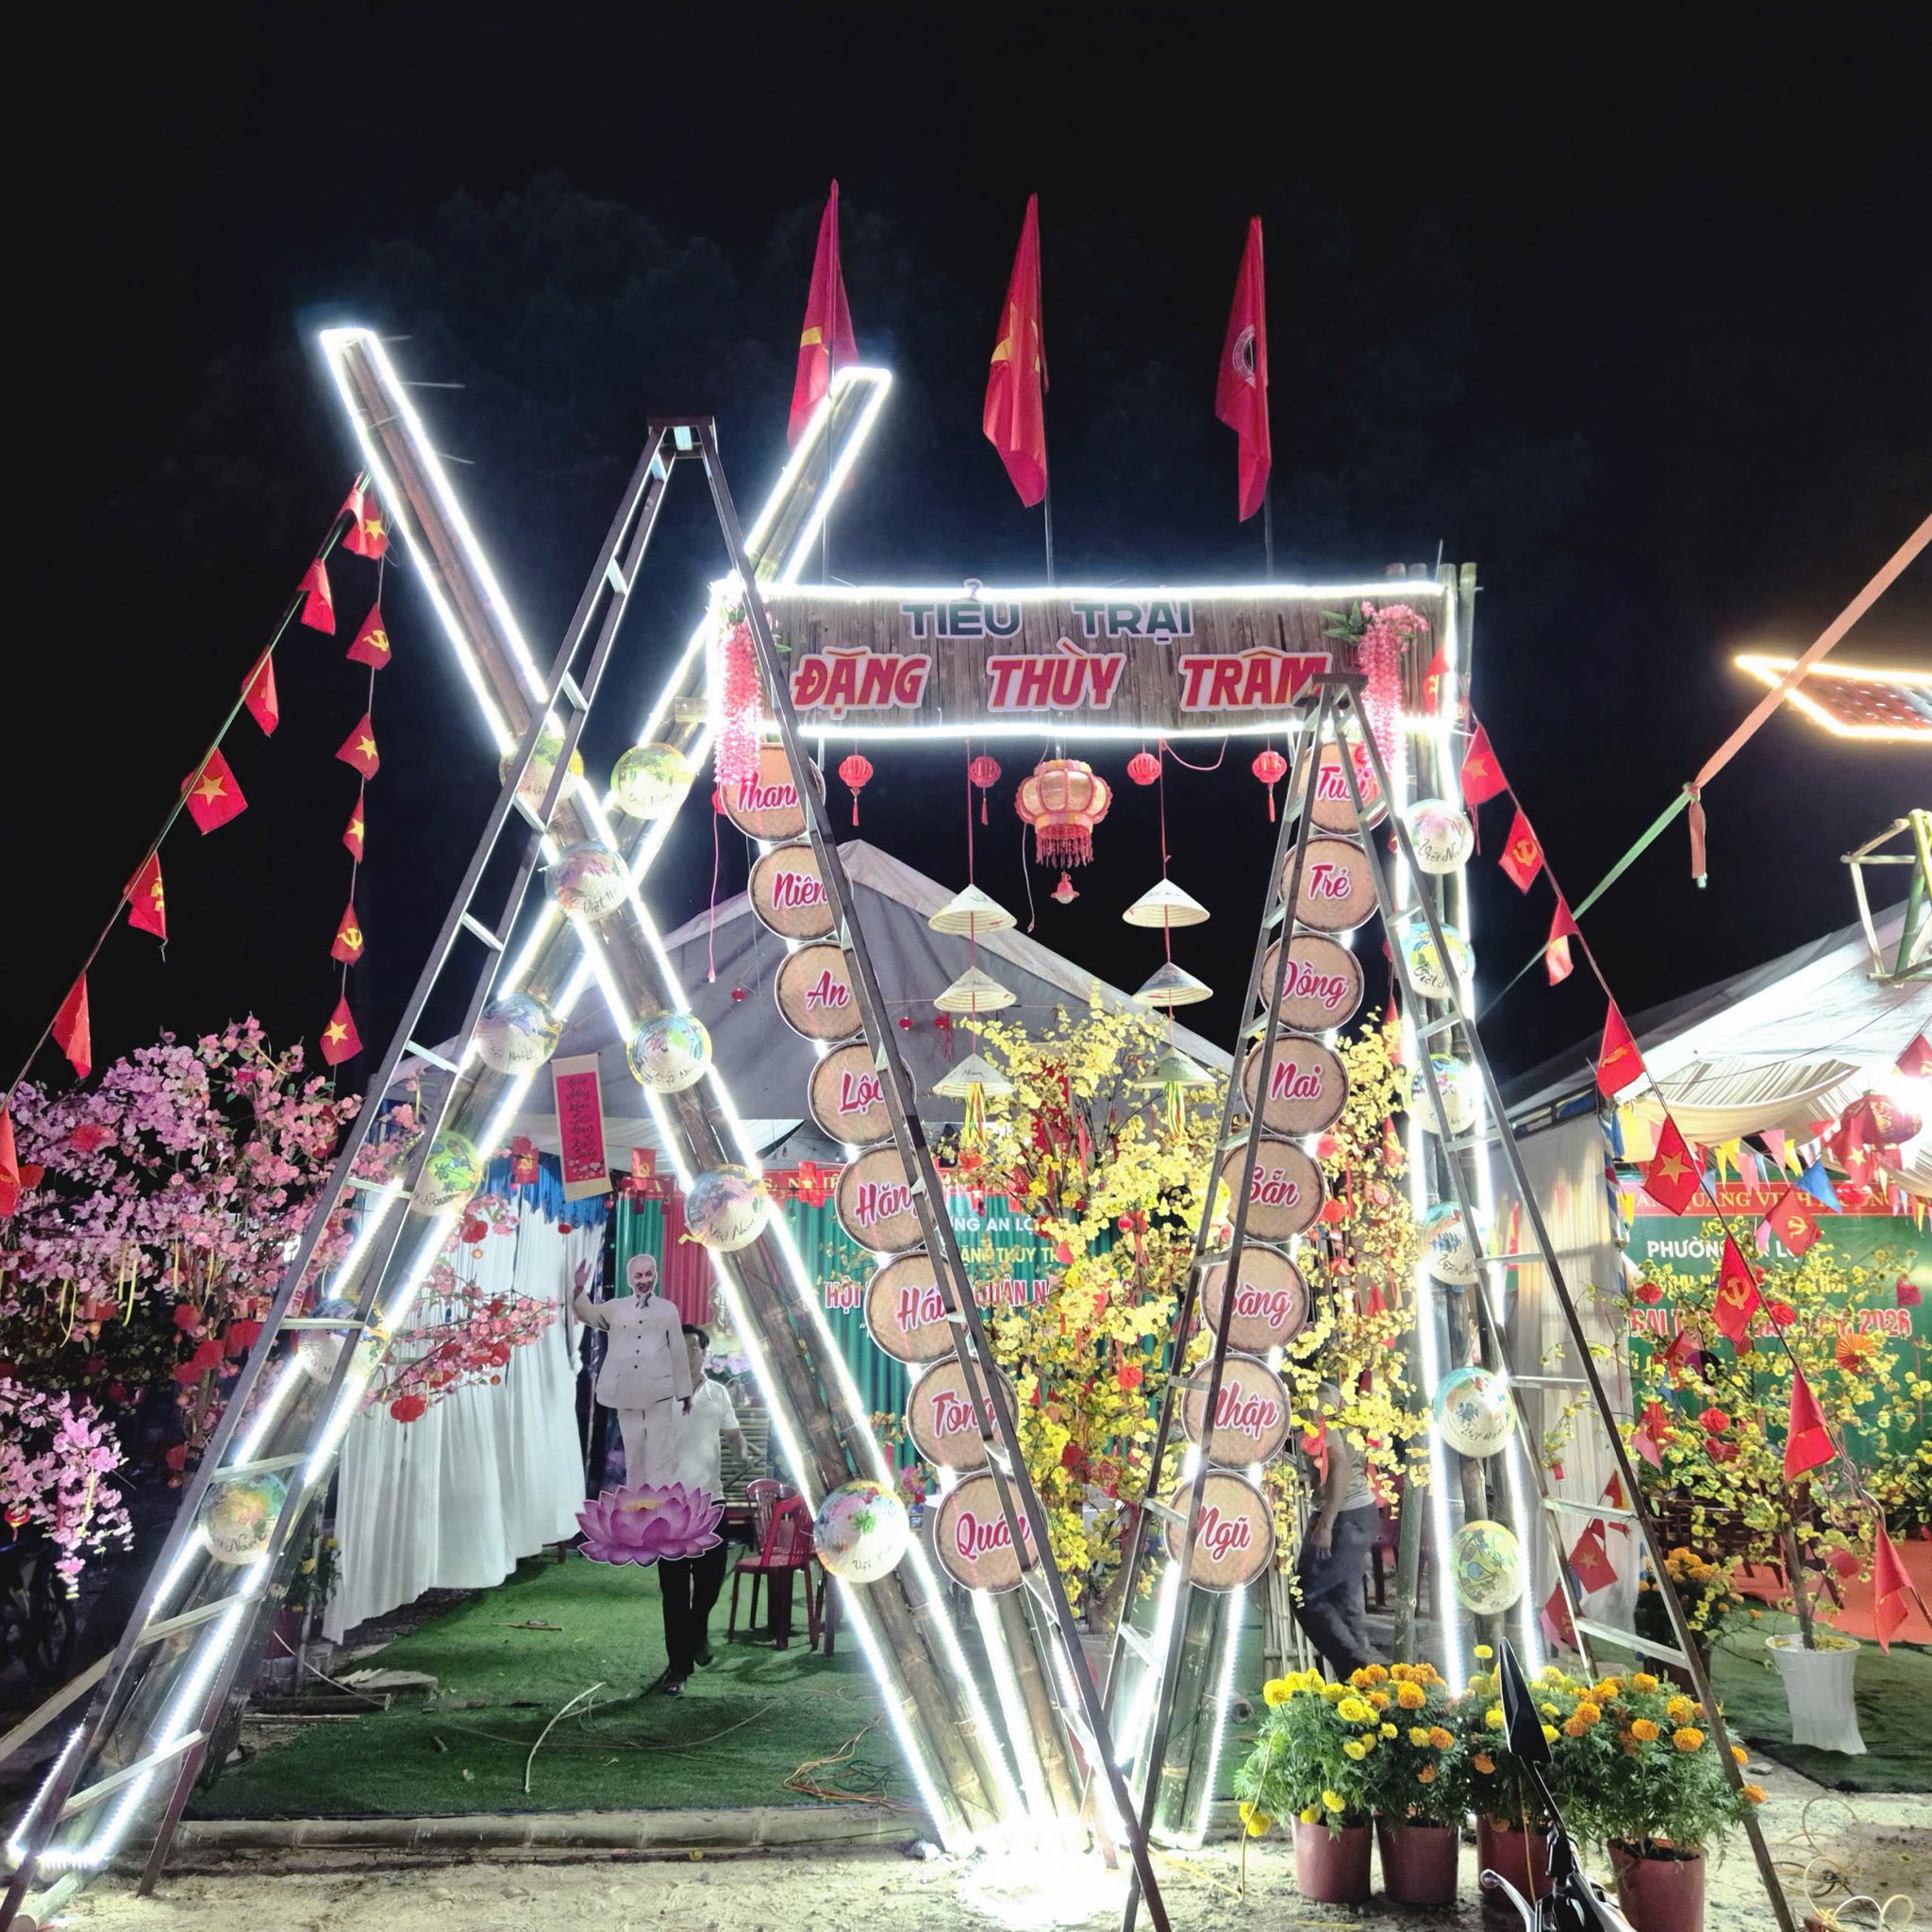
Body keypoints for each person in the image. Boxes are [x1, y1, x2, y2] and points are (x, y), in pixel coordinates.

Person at [644, 1324, 747, 1696]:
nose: (685, 1353)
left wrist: (740, 1449)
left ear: (704, 1353)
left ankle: (698, 1629)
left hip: (710, 1504)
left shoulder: (718, 1393)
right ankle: (678, 1669)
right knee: (674, 1592)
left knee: (709, 1581)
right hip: (669, 1509)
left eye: (692, 1347)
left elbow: (732, 1432)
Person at [572, 1252, 694, 1486]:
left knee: (659, 1451)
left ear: (655, 1276)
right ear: (629, 1279)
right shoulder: (615, 1308)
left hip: (659, 1392)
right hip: (626, 1391)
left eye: (648, 1274)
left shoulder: (668, 1309)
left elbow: (678, 1350)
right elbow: (588, 1314)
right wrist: (578, 1288)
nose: (644, 1280)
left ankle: (660, 1498)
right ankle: (638, 1500)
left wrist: (685, 1392)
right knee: (634, 1452)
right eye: (638, 1276)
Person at [1292, 1380, 1380, 1677]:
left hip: (1345, 1515)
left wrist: (1326, 1523)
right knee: (1346, 1606)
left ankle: (1358, 1670)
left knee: (1306, 1596)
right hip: (1358, 1513)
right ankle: (1364, 1688)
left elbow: (1339, 1463)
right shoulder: (1339, 1394)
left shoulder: (1319, 1399)